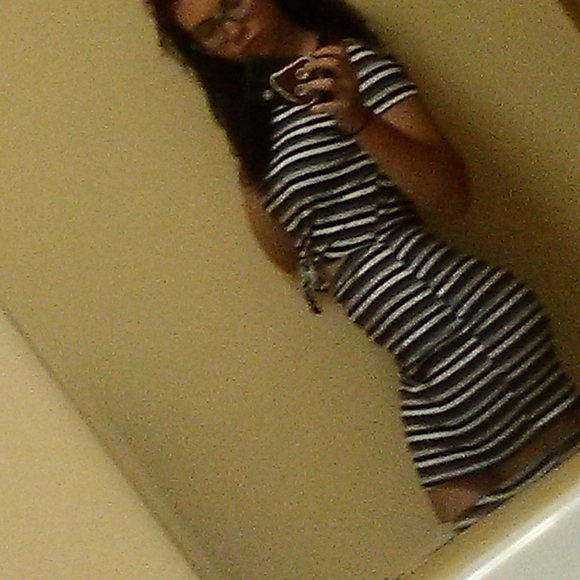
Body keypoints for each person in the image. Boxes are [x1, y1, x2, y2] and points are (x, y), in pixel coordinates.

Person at [145, 0, 580, 530]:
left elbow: (450, 195)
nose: (232, 33)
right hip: (419, 357)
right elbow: (284, 255)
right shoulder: (267, 105)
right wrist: (251, 143)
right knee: (494, 540)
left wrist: (360, 119)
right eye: (209, 32)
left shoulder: (353, 67)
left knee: (549, 523)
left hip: (458, 322)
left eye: (232, 6)